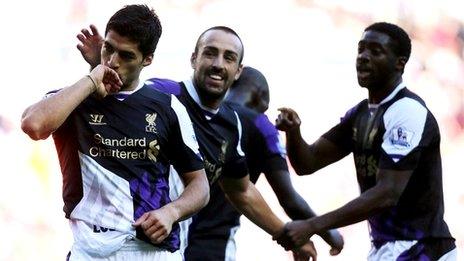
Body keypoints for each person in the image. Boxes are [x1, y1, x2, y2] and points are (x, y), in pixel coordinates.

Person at [76, 25, 318, 260]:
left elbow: (241, 191)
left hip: (171, 246)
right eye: (210, 53)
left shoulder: (230, 124)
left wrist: (288, 237)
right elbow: (118, 100)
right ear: (194, 58)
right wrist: (100, 65)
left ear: (238, 71)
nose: (218, 64)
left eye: (229, 57)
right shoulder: (163, 95)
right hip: (116, 242)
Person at [21, 5, 209, 261]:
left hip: (153, 251)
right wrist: (91, 78)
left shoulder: (168, 107)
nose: (112, 62)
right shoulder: (74, 100)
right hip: (91, 251)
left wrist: (171, 212)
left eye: (126, 55)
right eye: (108, 48)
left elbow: (200, 185)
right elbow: (33, 125)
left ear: (147, 59)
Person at [274, 22, 457, 260]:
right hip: (388, 247)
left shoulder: (407, 111)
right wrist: (293, 132)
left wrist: (313, 225)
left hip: (421, 247)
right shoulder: (360, 114)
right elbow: (307, 163)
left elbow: (388, 192)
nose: (363, 57)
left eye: (375, 51)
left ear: (400, 63)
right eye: (361, 49)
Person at [183, 66, 344, 261]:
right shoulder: (260, 124)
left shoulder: (194, 113)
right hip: (213, 246)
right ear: (261, 99)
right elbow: (289, 200)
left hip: (171, 240)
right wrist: (330, 234)